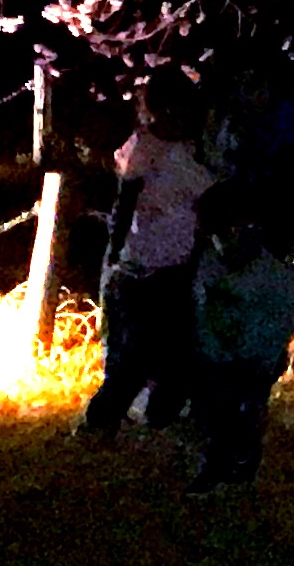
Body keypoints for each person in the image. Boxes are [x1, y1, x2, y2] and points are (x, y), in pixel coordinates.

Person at [76, 69, 215, 441]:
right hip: (149, 271)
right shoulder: (154, 153)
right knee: (139, 360)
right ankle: (104, 422)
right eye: (174, 111)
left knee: (168, 356)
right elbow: (129, 201)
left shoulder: (170, 151)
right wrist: (117, 252)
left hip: (165, 269)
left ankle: (156, 418)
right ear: (159, 112)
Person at [184, 182, 294, 491]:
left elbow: (283, 321)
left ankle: (244, 462)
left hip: (256, 358)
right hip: (219, 356)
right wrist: (210, 348)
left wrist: (265, 358)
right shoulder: (209, 266)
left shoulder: (271, 275)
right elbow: (203, 313)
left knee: (247, 411)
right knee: (214, 413)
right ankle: (216, 462)